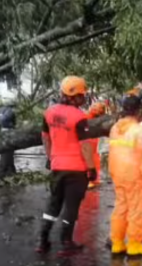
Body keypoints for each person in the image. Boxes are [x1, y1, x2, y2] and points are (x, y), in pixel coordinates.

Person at [35, 76, 98, 257]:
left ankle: (42, 241)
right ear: (73, 96)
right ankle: (66, 243)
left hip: (57, 166)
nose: (84, 98)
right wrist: (91, 168)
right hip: (76, 170)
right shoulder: (79, 116)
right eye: (81, 95)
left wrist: (50, 157)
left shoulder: (49, 113)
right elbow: (85, 145)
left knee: (53, 204)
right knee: (71, 207)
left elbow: (45, 138)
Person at [108, 95, 142, 256]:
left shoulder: (115, 128)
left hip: (118, 175)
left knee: (121, 209)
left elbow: (112, 153)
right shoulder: (139, 131)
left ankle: (117, 243)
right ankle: (134, 245)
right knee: (138, 211)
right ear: (139, 111)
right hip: (134, 177)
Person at [85, 102, 106, 188]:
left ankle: (94, 179)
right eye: (95, 107)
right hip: (88, 141)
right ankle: (88, 180)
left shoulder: (96, 118)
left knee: (94, 158)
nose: (96, 109)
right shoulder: (86, 117)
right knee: (89, 158)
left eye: (99, 108)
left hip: (93, 142)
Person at [0, 100, 17, 178]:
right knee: (9, 151)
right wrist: (14, 128)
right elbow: (14, 122)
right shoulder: (11, 111)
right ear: (12, 106)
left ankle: (11, 170)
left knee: (4, 150)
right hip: (9, 131)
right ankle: (4, 173)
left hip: (2, 130)